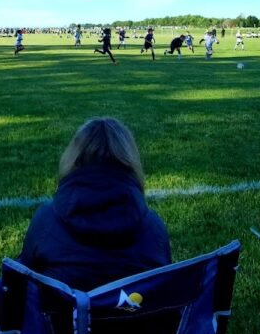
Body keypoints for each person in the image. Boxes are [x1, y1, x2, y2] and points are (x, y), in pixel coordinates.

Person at [18, 118, 172, 291]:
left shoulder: (45, 220)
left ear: (72, 159)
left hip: (63, 318)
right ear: (131, 160)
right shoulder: (153, 228)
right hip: (136, 317)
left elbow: (20, 286)